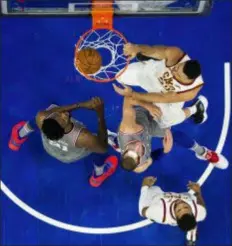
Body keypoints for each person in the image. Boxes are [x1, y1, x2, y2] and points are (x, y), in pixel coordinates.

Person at [8, 97, 118, 187]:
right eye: (63, 119)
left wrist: (81, 105)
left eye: (58, 116)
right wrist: (100, 114)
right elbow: (103, 148)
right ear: (63, 129)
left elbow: (58, 112)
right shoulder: (82, 137)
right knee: (95, 146)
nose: (64, 114)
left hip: (49, 147)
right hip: (70, 155)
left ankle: (19, 135)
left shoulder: (42, 118)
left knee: (40, 116)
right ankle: (98, 175)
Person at [114, 43, 208, 128]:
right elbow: (153, 49)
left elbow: (161, 97)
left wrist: (133, 94)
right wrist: (137, 48)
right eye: (177, 67)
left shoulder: (190, 91)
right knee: (120, 77)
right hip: (153, 74)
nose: (173, 71)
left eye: (177, 74)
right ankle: (150, 57)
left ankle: (195, 108)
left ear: (188, 80)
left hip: (167, 95)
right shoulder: (176, 55)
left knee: (166, 121)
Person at [116, 95, 174, 173]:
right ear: (139, 161)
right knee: (168, 127)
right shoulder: (140, 167)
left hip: (140, 115)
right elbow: (151, 159)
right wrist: (165, 151)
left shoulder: (128, 129)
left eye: (131, 149)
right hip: (147, 131)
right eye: (138, 153)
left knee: (159, 100)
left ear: (124, 152)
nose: (137, 146)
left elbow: (128, 99)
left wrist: (147, 106)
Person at [139, 176, 206, 233]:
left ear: (176, 217)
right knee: (190, 224)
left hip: (157, 197)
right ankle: (191, 229)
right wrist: (198, 192)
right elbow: (201, 205)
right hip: (182, 196)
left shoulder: (159, 211)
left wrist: (144, 186)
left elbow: (142, 211)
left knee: (154, 189)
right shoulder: (200, 213)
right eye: (186, 207)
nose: (181, 204)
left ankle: (191, 231)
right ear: (192, 213)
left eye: (179, 210)